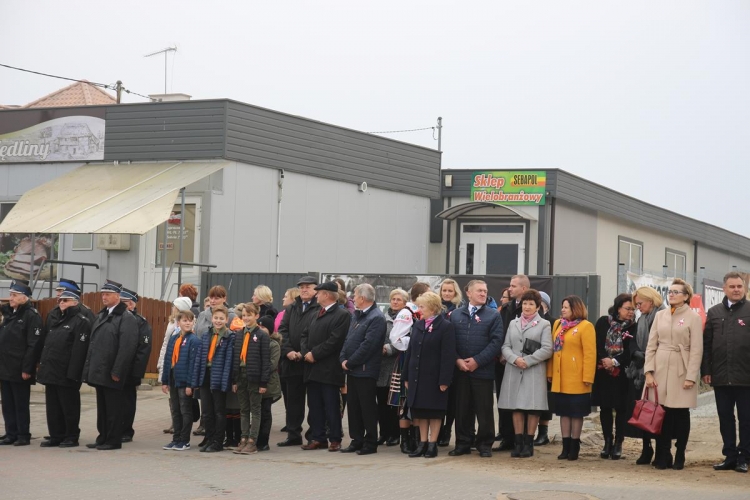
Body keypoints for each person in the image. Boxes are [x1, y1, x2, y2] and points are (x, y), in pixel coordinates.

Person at [645, 278, 703, 470]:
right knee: (661, 413)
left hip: (681, 368)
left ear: (686, 296)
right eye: (670, 291)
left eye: (676, 292)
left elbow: (696, 349)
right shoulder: (660, 315)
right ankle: (663, 454)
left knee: (680, 413)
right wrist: (648, 372)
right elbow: (651, 345)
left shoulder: (693, 317)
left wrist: (691, 376)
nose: (671, 294)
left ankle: (680, 453)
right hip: (660, 367)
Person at [448, 280, 504, 458]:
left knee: (484, 410)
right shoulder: (455, 315)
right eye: (479, 290)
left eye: (485, 291)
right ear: (468, 293)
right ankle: (463, 443)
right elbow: (449, 341)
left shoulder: (493, 315)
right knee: (462, 409)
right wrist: (457, 360)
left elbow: (496, 342)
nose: (483, 294)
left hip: (482, 371)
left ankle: (485, 445)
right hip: (461, 371)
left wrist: (477, 361)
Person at [82, 280, 139, 451]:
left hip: (112, 371)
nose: (104, 297)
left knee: (114, 408)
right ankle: (103, 437)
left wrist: (117, 370)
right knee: (103, 407)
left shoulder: (126, 318)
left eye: (108, 294)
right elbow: (94, 344)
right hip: (100, 369)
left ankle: (113, 440)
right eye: (103, 294)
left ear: (117, 296)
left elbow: (127, 348)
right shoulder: (102, 314)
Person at [703, 271, 750, 474]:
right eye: (732, 286)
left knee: (746, 419)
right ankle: (730, 456)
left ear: (744, 288)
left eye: (739, 286)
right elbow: (707, 344)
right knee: (725, 418)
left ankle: (744, 457)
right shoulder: (714, 312)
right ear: (724, 289)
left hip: (746, 377)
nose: (736, 290)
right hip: (721, 376)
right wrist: (706, 370)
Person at [498, 289, 553, 458]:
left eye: (531, 304)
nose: (527, 307)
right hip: (514, 369)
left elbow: (547, 349)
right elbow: (505, 346)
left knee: (532, 407)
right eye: (525, 303)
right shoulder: (513, 323)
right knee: (516, 407)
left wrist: (527, 361)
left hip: (533, 370)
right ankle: (518, 442)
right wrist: (514, 359)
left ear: (538, 307)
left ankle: (529, 443)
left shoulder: (544, 324)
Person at [402, 291, 456, 458]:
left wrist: (445, 380)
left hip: (434, 378)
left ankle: (433, 444)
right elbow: (410, 352)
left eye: (422, 306)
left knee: (434, 412)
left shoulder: (445, 326)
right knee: (421, 412)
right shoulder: (418, 325)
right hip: (417, 376)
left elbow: (448, 355)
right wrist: (406, 376)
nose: (419, 309)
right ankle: (422, 443)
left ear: (432, 308)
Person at [36, 287, 91, 448]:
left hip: (66, 373)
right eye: (60, 300)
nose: (61, 303)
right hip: (51, 370)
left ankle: (71, 436)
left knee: (69, 407)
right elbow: (48, 344)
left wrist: (73, 374)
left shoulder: (81, 321)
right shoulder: (56, 318)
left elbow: (79, 351)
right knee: (53, 407)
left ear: (75, 302)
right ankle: (56, 435)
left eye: (65, 300)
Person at [300, 281, 351, 451]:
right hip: (312, 368)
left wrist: (314, 354)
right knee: (314, 406)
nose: (316, 295)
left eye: (319, 293)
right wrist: (306, 352)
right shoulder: (315, 314)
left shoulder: (342, 315)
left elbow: (335, 341)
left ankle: (335, 438)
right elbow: (304, 335)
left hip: (329, 369)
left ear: (327, 295)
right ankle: (318, 437)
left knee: (331, 406)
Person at [547, 295, 596, 461]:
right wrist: (550, 373)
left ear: (575, 308)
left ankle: (575, 446)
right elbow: (553, 351)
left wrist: (588, 377)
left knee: (576, 413)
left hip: (577, 378)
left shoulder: (586, 326)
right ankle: (565, 446)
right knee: (563, 413)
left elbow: (590, 354)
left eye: (566, 307)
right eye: (562, 307)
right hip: (560, 378)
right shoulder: (558, 325)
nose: (562, 310)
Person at [340, 284, 387, 455]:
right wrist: (343, 358)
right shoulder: (357, 315)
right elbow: (348, 340)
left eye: (355, 295)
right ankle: (356, 439)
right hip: (352, 370)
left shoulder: (376, 318)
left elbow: (369, 346)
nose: (352, 298)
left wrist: (350, 362)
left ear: (362, 297)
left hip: (366, 370)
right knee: (353, 407)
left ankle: (370, 442)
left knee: (367, 408)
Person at [592, 293, 636, 460]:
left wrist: (614, 361)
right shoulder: (603, 322)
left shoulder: (633, 327)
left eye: (633, 309)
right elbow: (597, 344)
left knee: (621, 408)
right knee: (605, 407)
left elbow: (630, 350)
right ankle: (607, 441)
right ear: (618, 308)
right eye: (628, 308)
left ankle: (618, 443)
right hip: (603, 370)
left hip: (622, 372)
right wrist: (605, 360)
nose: (631, 312)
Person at [278, 276, 321, 446]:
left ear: (316, 289)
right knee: (293, 402)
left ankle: (313, 435)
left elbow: (317, 333)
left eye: (307, 287)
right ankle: (293, 434)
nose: (304, 289)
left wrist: (303, 353)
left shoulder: (319, 308)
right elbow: (282, 331)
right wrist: (288, 351)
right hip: (291, 362)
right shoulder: (292, 307)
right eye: (302, 287)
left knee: (314, 402)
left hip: (310, 362)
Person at [0, 280, 43, 447]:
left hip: (20, 368)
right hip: (5, 366)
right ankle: (11, 433)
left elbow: (34, 344)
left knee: (20, 404)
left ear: (24, 297)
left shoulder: (31, 316)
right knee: (8, 403)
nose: (10, 298)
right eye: (10, 295)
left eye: (14, 295)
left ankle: (23, 434)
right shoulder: (11, 314)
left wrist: (27, 368)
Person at [627, 286, 666, 464]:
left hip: (659, 370)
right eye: (636, 305)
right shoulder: (641, 319)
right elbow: (634, 341)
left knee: (658, 411)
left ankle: (662, 451)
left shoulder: (663, 316)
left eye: (640, 303)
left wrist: (650, 358)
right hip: (640, 372)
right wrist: (636, 353)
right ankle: (646, 448)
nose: (638, 307)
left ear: (651, 301)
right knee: (643, 411)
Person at [192, 305, 236, 453]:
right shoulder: (206, 335)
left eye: (221, 318)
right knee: (206, 411)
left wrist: (227, 380)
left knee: (219, 411)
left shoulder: (229, 337)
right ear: (212, 319)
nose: (218, 321)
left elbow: (229, 360)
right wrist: (196, 379)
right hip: (206, 375)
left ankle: (218, 441)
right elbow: (199, 358)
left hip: (219, 377)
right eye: (216, 318)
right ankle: (209, 438)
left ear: (226, 320)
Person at [495, 275, 530, 451]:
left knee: (522, 401)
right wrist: (502, 353)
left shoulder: (532, 307)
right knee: (504, 400)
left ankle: (523, 439)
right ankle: (506, 437)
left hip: (524, 363)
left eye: (513, 286)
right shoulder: (506, 308)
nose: (510, 289)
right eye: (510, 285)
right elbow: (500, 332)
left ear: (523, 288)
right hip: (504, 361)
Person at [231, 303, 270, 455]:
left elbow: (265, 361)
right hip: (241, 376)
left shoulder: (262, 335)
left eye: (249, 315)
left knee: (255, 409)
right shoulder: (239, 334)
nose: (246, 318)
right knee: (244, 409)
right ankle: (243, 438)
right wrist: (234, 380)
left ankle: (252, 441)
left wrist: (263, 382)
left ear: (256, 316)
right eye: (244, 315)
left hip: (254, 377)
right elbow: (236, 358)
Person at [161, 310, 200, 451]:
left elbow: (193, 364)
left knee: (185, 411)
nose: (188, 323)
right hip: (174, 379)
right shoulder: (174, 339)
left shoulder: (194, 340)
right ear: (178, 323)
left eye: (190, 320)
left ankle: (184, 440)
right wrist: (165, 381)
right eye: (184, 320)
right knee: (176, 410)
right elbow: (167, 360)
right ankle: (176, 438)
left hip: (185, 382)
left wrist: (190, 384)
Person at [377, 289, 411, 448]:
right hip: (381, 367)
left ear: (405, 302)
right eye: (393, 299)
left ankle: (395, 434)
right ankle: (383, 433)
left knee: (395, 404)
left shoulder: (407, 318)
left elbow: (405, 341)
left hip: (397, 365)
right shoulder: (382, 318)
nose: (395, 302)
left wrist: (388, 349)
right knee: (381, 402)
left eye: (399, 300)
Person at [119, 287, 153, 443]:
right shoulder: (115, 318)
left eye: (123, 302)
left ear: (131, 304)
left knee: (127, 401)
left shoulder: (140, 322)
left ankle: (126, 431)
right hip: (115, 369)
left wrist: (136, 373)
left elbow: (143, 350)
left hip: (130, 370)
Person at [158, 296, 193, 435]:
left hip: (182, 372)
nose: (172, 308)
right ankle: (176, 427)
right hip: (171, 367)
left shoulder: (188, 331)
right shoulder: (172, 324)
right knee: (174, 401)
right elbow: (166, 346)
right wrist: (162, 366)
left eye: (175, 306)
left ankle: (182, 433)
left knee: (183, 404)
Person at [437, 279, 462, 447]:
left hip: (454, 357)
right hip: (437, 358)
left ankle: (447, 429)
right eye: (444, 290)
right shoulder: (436, 308)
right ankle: (438, 430)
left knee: (452, 399)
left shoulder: (459, 309)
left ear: (455, 293)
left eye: (450, 291)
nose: (446, 293)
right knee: (439, 397)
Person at [257, 315, 282, 451]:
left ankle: (263, 440)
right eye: (259, 327)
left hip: (268, 383)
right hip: (256, 381)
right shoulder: (256, 341)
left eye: (263, 327)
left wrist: (257, 368)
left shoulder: (274, 345)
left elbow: (272, 364)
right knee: (257, 411)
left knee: (265, 412)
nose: (260, 329)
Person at [533, 290, 555, 446]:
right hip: (529, 364)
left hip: (546, 364)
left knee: (546, 399)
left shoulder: (553, 322)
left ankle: (543, 432)